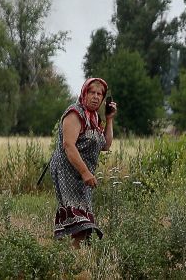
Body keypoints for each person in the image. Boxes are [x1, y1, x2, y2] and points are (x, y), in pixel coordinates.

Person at [50, 77, 117, 248]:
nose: (96, 97)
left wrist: (109, 119)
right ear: (84, 93)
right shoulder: (75, 113)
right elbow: (68, 145)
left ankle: (73, 258)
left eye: (99, 94)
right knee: (77, 218)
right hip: (68, 171)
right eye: (92, 92)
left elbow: (106, 144)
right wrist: (85, 172)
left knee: (83, 220)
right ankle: (69, 260)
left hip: (83, 174)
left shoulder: (94, 119)